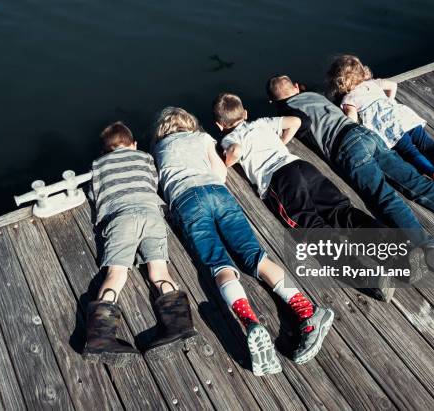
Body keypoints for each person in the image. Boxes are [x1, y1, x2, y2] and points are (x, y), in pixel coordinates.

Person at [152, 107, 334, 375]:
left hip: (186, 201)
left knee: (218, 264)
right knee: (256, 256)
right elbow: (220, 172)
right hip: (218, 193)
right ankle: (307, 310)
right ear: (190, 123)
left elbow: (162, 186)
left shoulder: (158, 149)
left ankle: (249, 321)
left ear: (162, 131)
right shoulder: (202, 138)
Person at [267, 75, 434, 281]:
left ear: (273, 102)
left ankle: (430, 249)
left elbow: (301, 122)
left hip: (346, 149)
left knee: (384, 197)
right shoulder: (313, 95)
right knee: (415, 183)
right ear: (297, 86)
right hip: (365, 134)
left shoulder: (288, 110)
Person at [213, 92, 403, 300]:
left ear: (220, 125)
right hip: (301, 166)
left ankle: (370, 279)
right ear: (245, 113)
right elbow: (294, 121)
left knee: (311, 227)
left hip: (280, 180)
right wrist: (282, 142)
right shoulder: (262, 122)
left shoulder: (228, 138)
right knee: (342, 211)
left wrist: (228, 159)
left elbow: (236, 151)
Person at [83, 121, 197, 367]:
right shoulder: (143, 157)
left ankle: (100, 338)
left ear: (105, 150)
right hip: (151, 215)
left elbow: (94, 194)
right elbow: (153, 180)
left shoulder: (97, 165)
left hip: (120, 220)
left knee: (116, 274)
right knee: (159, 272)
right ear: (133, 144)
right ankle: (179, 326)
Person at [325, 55, 434, 192]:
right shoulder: (373, 83)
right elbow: (393, 85)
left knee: (411, 153)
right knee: (429, 144)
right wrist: (390, 101)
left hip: (388, 127)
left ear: (339, 83)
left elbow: (351, 118)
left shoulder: (348, 100)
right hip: (403, 116)